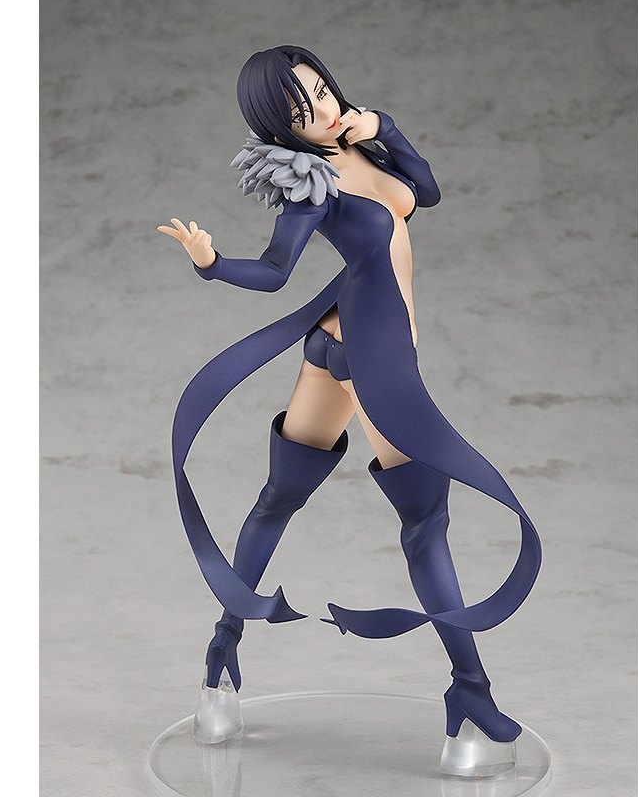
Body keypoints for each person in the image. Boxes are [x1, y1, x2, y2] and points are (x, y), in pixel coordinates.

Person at [158, 45, 541, 775]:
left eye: (322, 91)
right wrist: (212, 265)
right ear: (279, 129)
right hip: (374, 359)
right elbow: (275, 271)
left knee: (280, 498)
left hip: (339, 345)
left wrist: (382, 129)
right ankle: (471, 697)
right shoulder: (312, 184)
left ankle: (220, 662)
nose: (323, 111)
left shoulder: (360, 141)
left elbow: (425, 191)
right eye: (300, 110)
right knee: (424, 524)